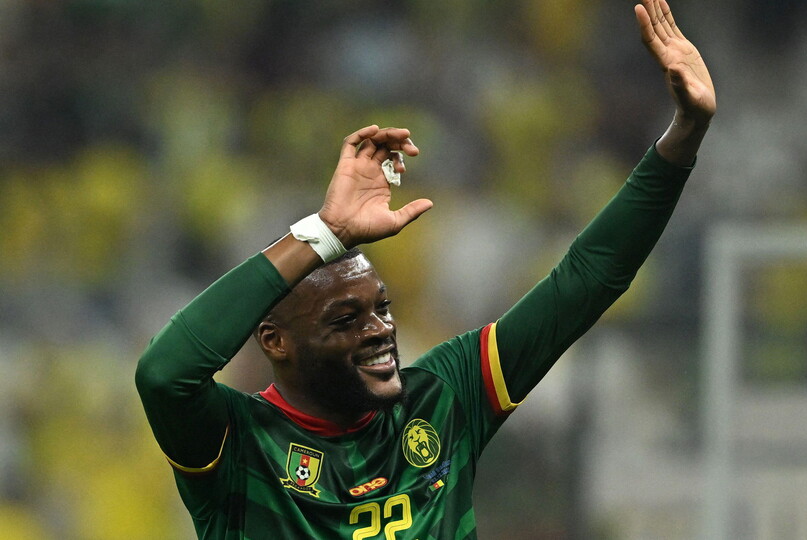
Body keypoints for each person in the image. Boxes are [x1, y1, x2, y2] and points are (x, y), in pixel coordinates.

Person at [135, 0, 715, 537]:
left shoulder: (444, 398)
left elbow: (587, 279)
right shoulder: (238, 444)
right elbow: (165, 373)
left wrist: (682, 137)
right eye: (345, 318)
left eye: (381, 308)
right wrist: (324, 234)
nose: (379, 330)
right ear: (275, 341)